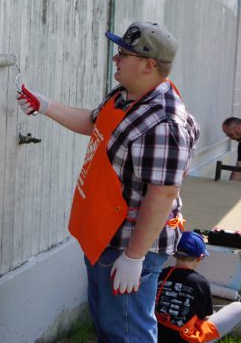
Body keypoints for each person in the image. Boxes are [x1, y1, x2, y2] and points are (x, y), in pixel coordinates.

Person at [17, 22, 200, 341]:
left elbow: (164, 193)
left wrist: (134, 257)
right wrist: (45, 107)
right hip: (104, 235)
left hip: (129, 244)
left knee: (128, 332)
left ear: (149, 65)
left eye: (123, 54)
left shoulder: (165, 124)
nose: (116, 59)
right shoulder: (126, 95)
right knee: (108, 324)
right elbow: (93, 122)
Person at [156, 230, 241, 342]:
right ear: (200, 257)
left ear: (174, 253)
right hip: (186, 338)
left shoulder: (160, 274)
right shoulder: (200, 283)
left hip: (156, 334)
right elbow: (205, 317)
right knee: (237, 307)